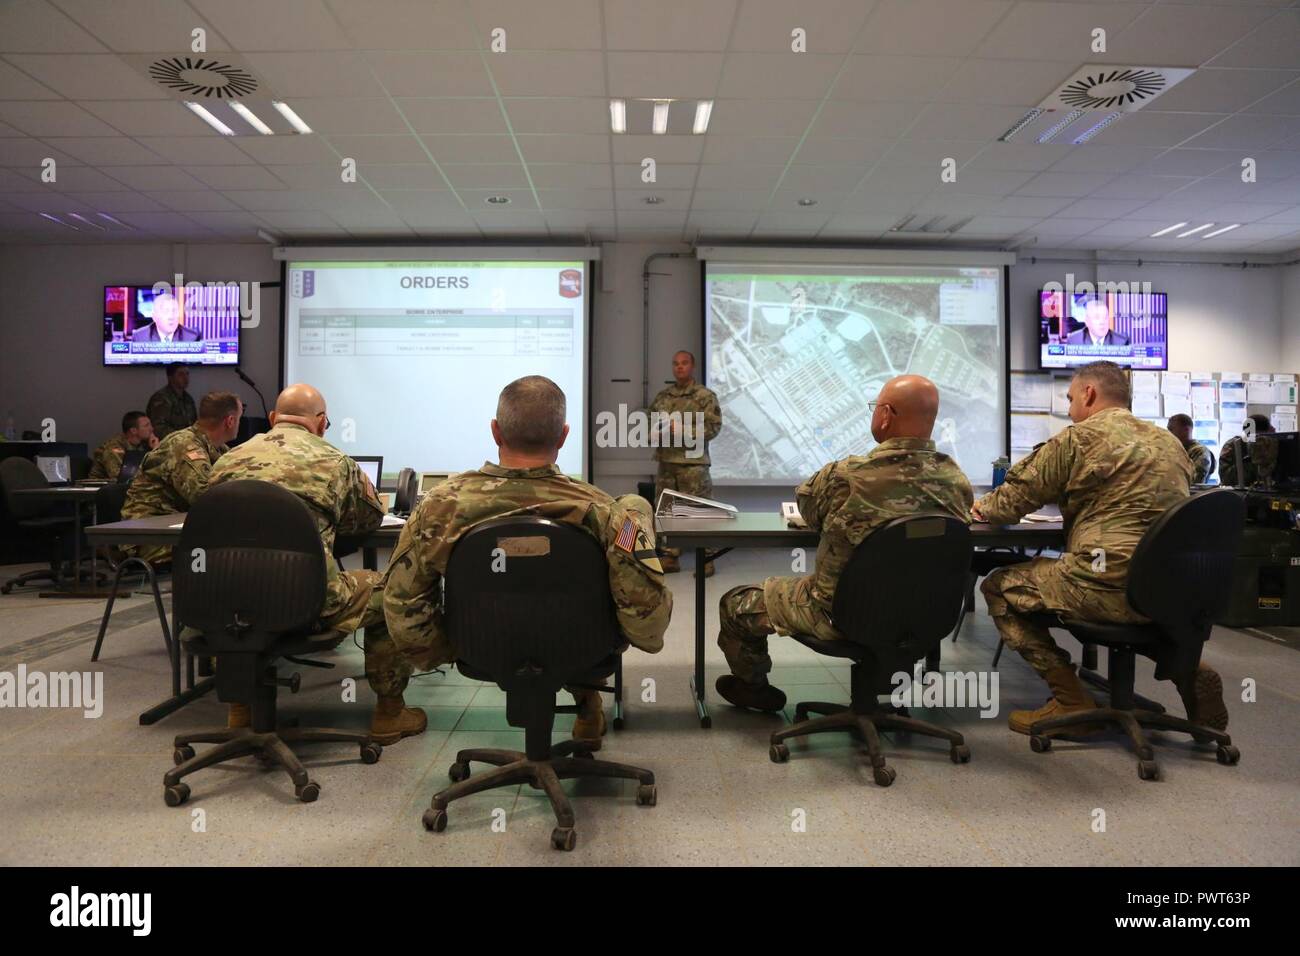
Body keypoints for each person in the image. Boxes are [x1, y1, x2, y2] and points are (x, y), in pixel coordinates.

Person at [384, 376, 672, 749]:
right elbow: (647, 619)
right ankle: (588, 705)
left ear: (495, 431)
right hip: (581, 647)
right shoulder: (607, 512)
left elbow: (401, 605)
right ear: (564, 435)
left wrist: (447, 648)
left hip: (480, 647)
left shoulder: (439, 507)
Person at [973, 361, 1228, 734]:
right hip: (1170, 592)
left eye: (1071, 397)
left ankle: (1070, 700)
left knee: (999, 586)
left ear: (1089, 394)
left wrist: (980, 506)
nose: (1070, 406)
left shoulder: (1077, 439)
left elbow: (1011, 503)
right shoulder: (1171, 444)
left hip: (1102, 583)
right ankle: (1187, 669)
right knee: (1129, 603)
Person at [715, 374, 973, 712]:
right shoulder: (956, 481)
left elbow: (808, 510)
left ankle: (754, 689)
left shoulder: (845, 477)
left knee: (736, 604)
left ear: (885, 415)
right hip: (922, 617)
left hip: (838, 615)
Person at [206, 384, 424, 743]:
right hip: (307, 601)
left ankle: (241, 708)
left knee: (243, 593)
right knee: (390, 590)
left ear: (274, 419)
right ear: (322, 422)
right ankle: (389, 713)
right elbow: (369, 520)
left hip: (229, 604)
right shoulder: (335, 462)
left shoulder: (225, 461)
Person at [121, 391, 242, 565]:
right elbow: (204, 498)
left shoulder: (213, 446)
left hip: (176, 525)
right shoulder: (185, 445)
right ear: (230, 421)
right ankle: (201, 592)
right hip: (152, 535)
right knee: (230, 550)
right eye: (239, 418)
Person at [649, 350, 722, 574]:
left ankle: (707, 559)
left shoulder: (704, 396)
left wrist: (681, 429)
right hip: (667, 463)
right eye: (675, 364)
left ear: (692, 366)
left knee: (700, 512)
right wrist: (654, 433)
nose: (679, 367)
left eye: (684, 363)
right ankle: (670, 557)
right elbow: (650, 425)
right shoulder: (663, 397)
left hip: (694, 465)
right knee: (665, 512)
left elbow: (712, 428)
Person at [89, 411, 158, 480]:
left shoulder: (144, 445)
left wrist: (156, 450)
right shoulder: (113, 448)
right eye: (146, 426)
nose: (151, 429)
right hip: (101, 487)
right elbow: (122, 478)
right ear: (133, 431)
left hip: (129, 487)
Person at [1219, 414, 1277, 488]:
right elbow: (1226, 479)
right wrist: (1252, 459)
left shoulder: (1272, 445)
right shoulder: (1234, 445)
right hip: (1239, 493)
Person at [146, 364, 198, 440]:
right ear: (170, 377)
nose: (185, 378)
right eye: (181, 374)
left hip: (187, 441)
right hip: (169, 442)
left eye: (187, 374)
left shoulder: (188, 398)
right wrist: (181, 437)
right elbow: (158, 427)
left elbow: (194, 423)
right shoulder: (161, 398)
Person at [131, 290, 202, 343]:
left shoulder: (192, 337)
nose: (171, 317)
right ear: (154, 317)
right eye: (166, 312)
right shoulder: (139, 337)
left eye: (174, 311)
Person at [1166, 413, 1213, 483]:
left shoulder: (1200, 451)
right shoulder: (1173, 449)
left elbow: (1195, 481)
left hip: (1192, 493)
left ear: (1186, 430)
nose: (1168, 433)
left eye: (1171, 429)